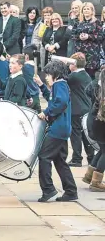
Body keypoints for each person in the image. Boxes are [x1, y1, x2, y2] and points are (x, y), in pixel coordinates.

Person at [35, 61, 78, 202]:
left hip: (58, 129)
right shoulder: (59, 85)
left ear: (56, 74)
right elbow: (54, 100)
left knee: (44, 157)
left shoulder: (60, 84)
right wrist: (42, 86)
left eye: (48, 74)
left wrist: (46, 112)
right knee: (60, 161)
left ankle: (48, 190)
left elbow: (60, 102)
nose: (47, 77)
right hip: (62, 129)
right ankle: (71, 191)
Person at [67, 52, 94, 167]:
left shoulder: (73, 76)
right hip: (86, 108)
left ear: (73, 64)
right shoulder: (86, 75)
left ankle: (77, 158)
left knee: (75, 134)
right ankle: (91, 157)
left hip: (76, 109)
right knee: (85, 135)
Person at [83, 68, 105, 191]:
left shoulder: (96, 85)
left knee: (102, 150)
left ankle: (89, 175)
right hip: (101, 125)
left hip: (93, 122)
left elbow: (87, 91)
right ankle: (96, 183)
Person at [22, 44, 41, 113]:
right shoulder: (35, 66)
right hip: (36, 96)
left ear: (26, 56)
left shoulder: (25, 67)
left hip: (29, 98)